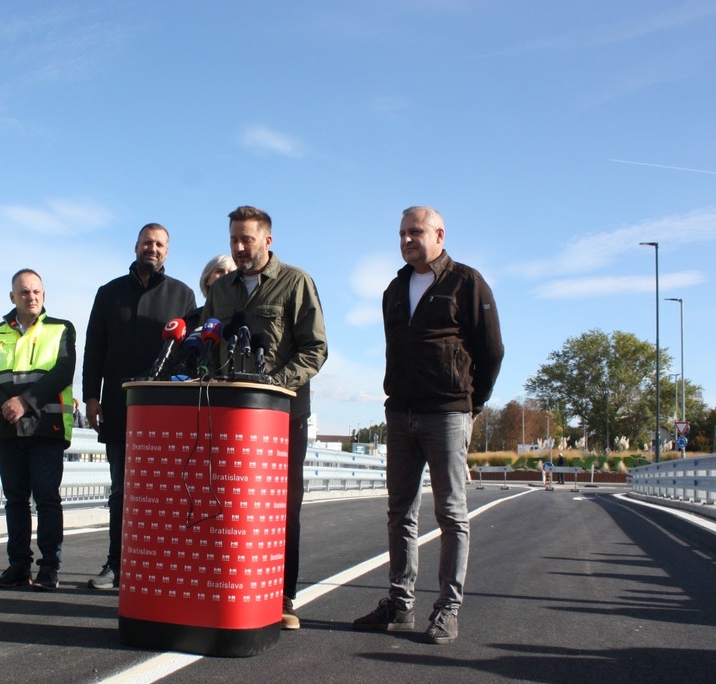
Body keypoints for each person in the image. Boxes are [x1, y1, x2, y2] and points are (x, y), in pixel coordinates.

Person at [353, 206, 504, 644]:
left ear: (439, 234)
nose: (405, 240)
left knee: (451, 513)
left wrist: (471, 404)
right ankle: (399, 605)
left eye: (414, 232)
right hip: (400, 412)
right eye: (401, 233)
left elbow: (491, 350)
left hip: (448, 413)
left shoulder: (466, 282)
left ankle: (447, 609)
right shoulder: (394, 289)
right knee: (400, 512)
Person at [203, 205, 328, 631]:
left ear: (267, 241)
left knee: (279, 508)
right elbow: (207, 344)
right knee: (227, 506)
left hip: (281, 417)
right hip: (229, 418)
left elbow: (315, 349)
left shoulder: (296, 283)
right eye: (234, 240)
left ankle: (281, 594)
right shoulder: (221, 292)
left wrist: (271, 385)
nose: (239, 248)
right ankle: (226, 587)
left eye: (247, 240)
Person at [82, 224, 197, 590]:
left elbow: (192, 353)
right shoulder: (109, 293)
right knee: (121, 491)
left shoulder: (183, 295)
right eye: (148, 242)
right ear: (136, 246)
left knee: (164, 493)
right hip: (118, 405)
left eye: (160, 244)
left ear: (168, 251)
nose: (153, 248)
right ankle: (115, 566)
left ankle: (157, 566)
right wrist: (91, 396)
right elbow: (94, 347)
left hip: (165, 411)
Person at [0, 270, 76, 591]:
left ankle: (49, 568)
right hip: (8, 427)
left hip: (46, 425)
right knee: (15, 500)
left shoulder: (61, 329)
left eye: (36, 292)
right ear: (12, 297)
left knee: (47, 499)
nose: (31, 297)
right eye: (24, 292)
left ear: (44, 295)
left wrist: (25, 402)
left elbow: (63, 371)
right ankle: (19, 565)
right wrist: (4, 404)